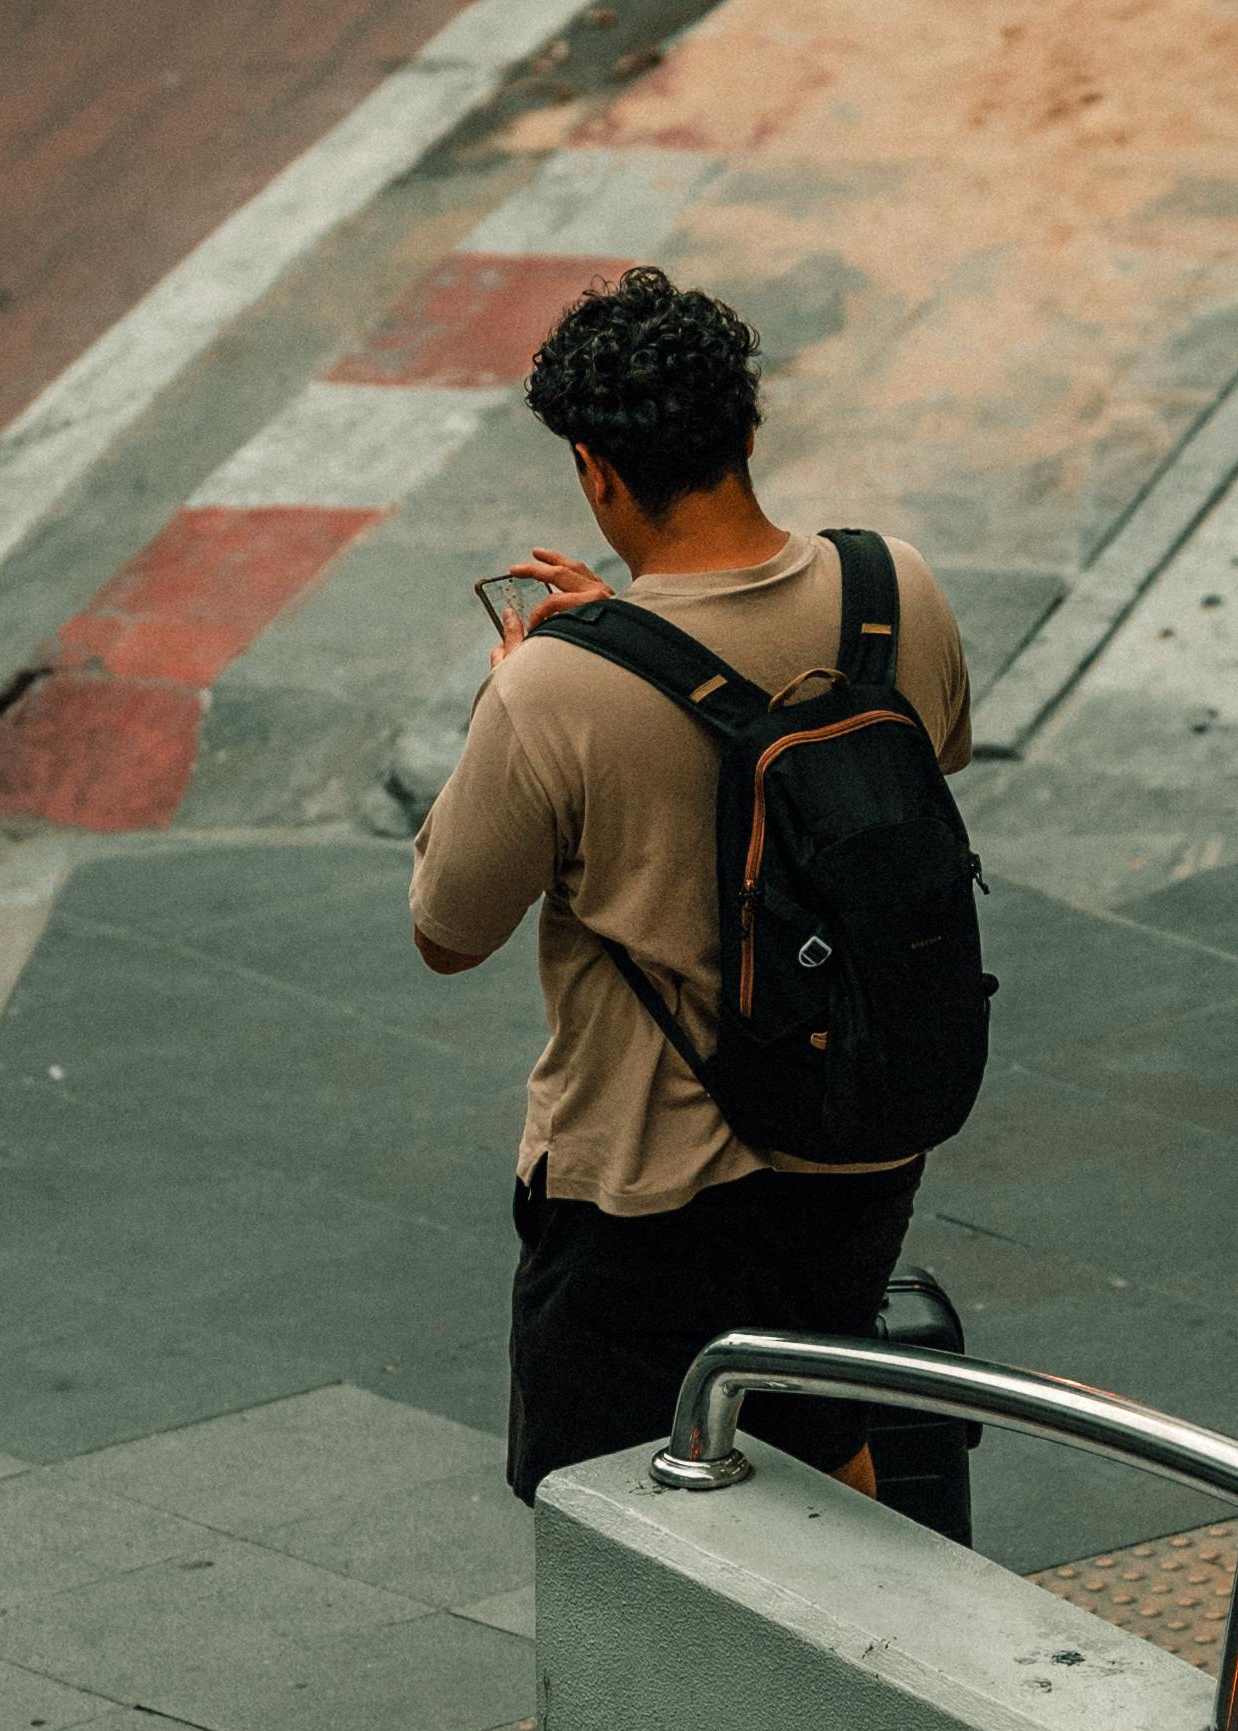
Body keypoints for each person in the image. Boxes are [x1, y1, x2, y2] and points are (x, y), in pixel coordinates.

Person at [410, 269, 973, 1501]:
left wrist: (529, 684)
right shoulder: (895, 593)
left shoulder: (552, 690)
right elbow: (905, 766)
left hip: (645, 1186)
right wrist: (636, 641)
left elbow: (448, 928)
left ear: (595, 472)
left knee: (613, 1508)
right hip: (859, 1135)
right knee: (821, 1441)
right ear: (747, 431)